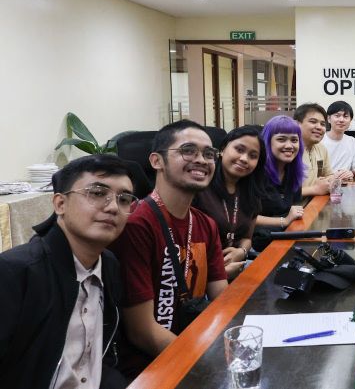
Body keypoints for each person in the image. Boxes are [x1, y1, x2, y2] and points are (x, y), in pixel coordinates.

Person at [0, 154, 136, 389]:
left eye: (124, 199)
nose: (113, 206)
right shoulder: (15, 272)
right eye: (97, 193)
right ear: (60, 204)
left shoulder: (109, 265)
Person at [110, 120, 228, 377]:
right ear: (156, 161)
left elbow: (222, 299)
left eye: (209, 154)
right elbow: (142, 332)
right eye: (188, 150)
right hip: (150, 368)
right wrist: (208, 364)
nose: (201, 160)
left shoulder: (205, 224)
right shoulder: (136, 224)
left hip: (194, 346)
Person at [194, 126, 265, 280]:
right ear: (222, 149)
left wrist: (241, 252)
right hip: (202, 274)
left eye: (253, 156)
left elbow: (247, 238)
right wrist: (218, 273)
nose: (245, 159)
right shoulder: (200, 186)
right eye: (239, 150)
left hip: (234, 268)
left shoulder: (251, 192)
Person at [256, 116, 305, 231]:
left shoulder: (293, 172)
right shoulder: (256, 172)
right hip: (258, 242)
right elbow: (244, 217)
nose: (289, 146)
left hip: (285, 234)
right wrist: (284, 220)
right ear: (268, 142)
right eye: (281, 139)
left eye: (294, 140)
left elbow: (295, 209)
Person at [294, 103, 333, 196]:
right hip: (291, 209)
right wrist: (314, 189)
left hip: (315, 204)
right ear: (297, 124)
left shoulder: (321, 148)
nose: (319, 127)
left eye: (323, 124)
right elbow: (278, 193)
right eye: (313, 121)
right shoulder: (289, 150)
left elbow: (329, 174)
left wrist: (329, 181)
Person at [321, 100, 355, 181]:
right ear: (328, 119)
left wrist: (352, 173)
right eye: (337, 116)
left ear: (350, 120)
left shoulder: (353, 142)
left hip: (346, 185)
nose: (341, 120)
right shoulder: (320, 140)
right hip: (324, 184)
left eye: (345, 116)